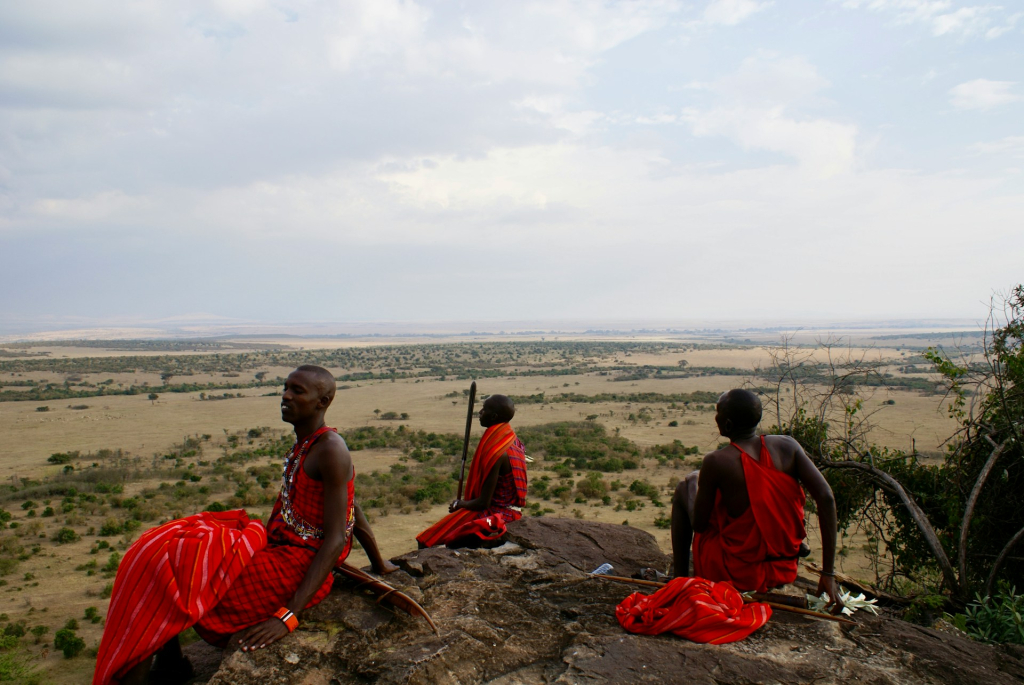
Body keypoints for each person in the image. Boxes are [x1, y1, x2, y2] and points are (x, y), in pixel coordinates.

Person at [95, 365, 397, 685]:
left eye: (297, 391)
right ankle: (171, 664)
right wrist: (380, 563)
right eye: (285, 387)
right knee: (164, 551)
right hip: (277, 543)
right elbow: (353, 506)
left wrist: (287, 616)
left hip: (296, 563)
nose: (285, 395)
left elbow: (336, 539)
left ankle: (160, 670)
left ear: (322, 401)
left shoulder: (331, 449)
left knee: (178, 577)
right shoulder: (307, 443)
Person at [671, 389, 845, 613]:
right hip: (783, 568)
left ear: (728, 424)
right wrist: (828, 574)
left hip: (738, 574)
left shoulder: (716, 461)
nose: (716, 418)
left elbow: (700, 525)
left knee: (684, 486)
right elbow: (827, 498)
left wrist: (694, 485)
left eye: (718, 413)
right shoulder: (788, 446)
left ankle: (679, 581)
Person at [415, 394, 527, 548]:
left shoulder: (498, 452)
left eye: (484, 410)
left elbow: (483, 503)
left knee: (427, 540)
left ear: (494, 416)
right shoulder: (512, 440)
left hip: (497, 513)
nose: (480, 412)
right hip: (509, 509)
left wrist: (460, 503)